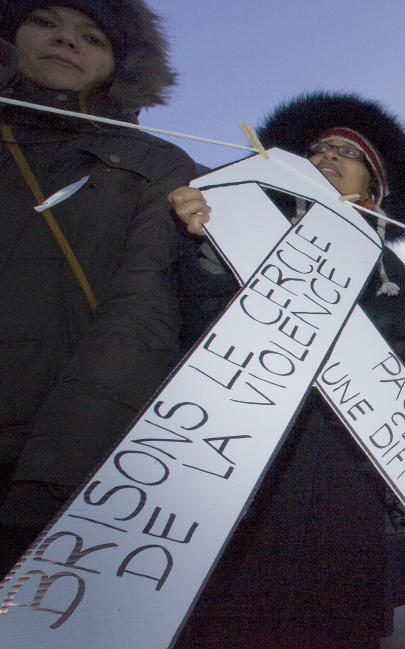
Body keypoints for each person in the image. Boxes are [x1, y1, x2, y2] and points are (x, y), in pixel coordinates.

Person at [168, 92, 405, 649]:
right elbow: (190, 318)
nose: (328, 156)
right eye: (318, 148)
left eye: (347, 152)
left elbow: (399, 371)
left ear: (373, 185)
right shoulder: (237, 221)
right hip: (236, 442)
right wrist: (201, 243)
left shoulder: (390, 271)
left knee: (330, 610)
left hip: (342, 459)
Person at [0, 0, 194, 574]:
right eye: (45, 22)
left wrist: (58, 477)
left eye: (92, 36)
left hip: (39, 451)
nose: (66, 41)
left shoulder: (156, 164)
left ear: (119, 64)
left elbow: (140, 314)